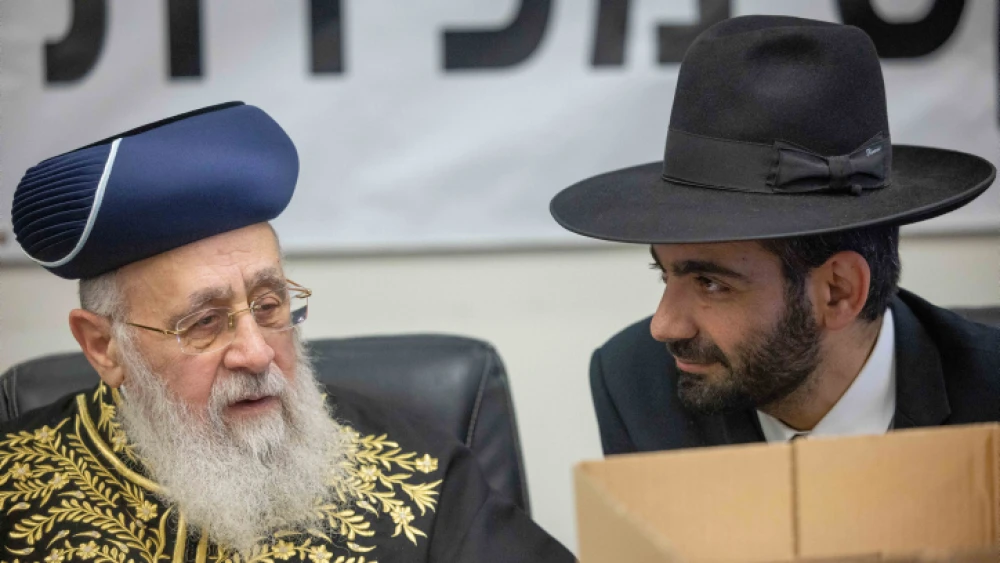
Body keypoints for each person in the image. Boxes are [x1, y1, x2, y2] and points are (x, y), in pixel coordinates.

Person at [0, 103, 574, 563]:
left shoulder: (418, 468)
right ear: (103, 347)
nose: (256, 354)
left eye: (269, 306)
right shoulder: (13, 488)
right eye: (204, 323)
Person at [549, 16, 999, 455]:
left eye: (710, 283)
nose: (663, 326)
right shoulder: (634, 385)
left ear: (838, 292)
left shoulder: (989, 391)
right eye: (664, 274)